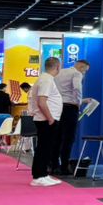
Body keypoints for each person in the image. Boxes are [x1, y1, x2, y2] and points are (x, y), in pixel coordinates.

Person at [29, 57, 64, 187]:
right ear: (58, 67)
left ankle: (43, 174)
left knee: (46, 147)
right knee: (44, 148)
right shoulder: (46, 80)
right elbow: (42, 102)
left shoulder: (46, 79)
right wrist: (50, 118)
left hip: (46, 119)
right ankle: (38, 176)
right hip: (46, 119)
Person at [54, 58, 89, 174]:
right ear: (81, 67)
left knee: (57, 137)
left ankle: (53, 165)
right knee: (68, 138)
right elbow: (77, 88)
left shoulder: (60, 72)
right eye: (85, 71)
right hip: (69, 109)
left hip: (57, 107)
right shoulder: (77, 73)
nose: (84, 73)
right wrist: (78, 103)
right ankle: (64, 166)